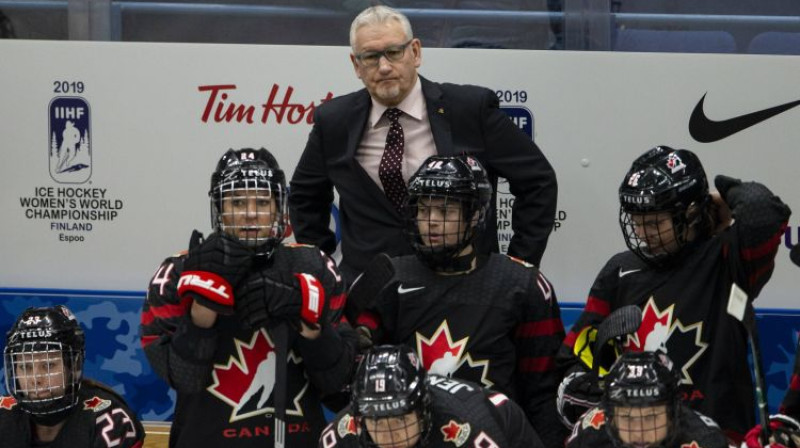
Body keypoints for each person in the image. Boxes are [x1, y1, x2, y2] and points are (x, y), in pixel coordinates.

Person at [289, 5, 558, 283]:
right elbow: (304, 196)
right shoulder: (334, 121)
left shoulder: (470, 110)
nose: (384, 67)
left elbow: (537, 181)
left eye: (394, 52)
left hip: (464, 286)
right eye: (370, 57)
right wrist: (322, 269)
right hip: (369, 289)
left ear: (415, 52)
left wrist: (517, 268)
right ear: (356, 65)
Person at [557, 145, 792, 442]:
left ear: (690, 214)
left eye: (654, 222)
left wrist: (717, 201)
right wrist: (591, 390)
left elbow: (765, 213)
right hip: (638, 438)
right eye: (637, 222)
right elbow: (576, 356)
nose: (643, 233)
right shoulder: (619, 271)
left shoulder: (727, 258)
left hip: (717, 437)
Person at [140, 147, 358, 448]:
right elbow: (183, 379)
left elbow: (337, 384)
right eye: (237, 202)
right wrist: (201, 312)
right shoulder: (176, 273)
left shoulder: (314, 267)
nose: (250, 213)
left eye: (262, 202)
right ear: (220, 209)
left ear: (279, 208)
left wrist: (310, 323)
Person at [350, 155, 566, 447]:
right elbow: (350, 386)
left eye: (445, 210)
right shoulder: (388, 278)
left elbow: (543, 395)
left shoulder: (522, 285)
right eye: (423, 209)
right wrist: (351, 341)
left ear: (475, 214)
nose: (431, 221)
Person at [320, 344, 544, 448]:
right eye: (377, 421)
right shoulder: (341, 435)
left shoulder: (470, 431)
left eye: (400, 419)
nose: (390, 435)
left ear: (423, 411)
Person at [1, 305, 145, 448]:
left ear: (73, 366)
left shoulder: (110, 419)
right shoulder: (4, 416)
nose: (35, 379)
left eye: (49, 365)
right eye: (25, 367)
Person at [565, 351, 730, 448]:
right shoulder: (589, 436)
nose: (639, 432)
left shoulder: (705, 440)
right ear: (610, 417)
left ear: (673, 413)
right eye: (627, 418)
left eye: (651, 417)